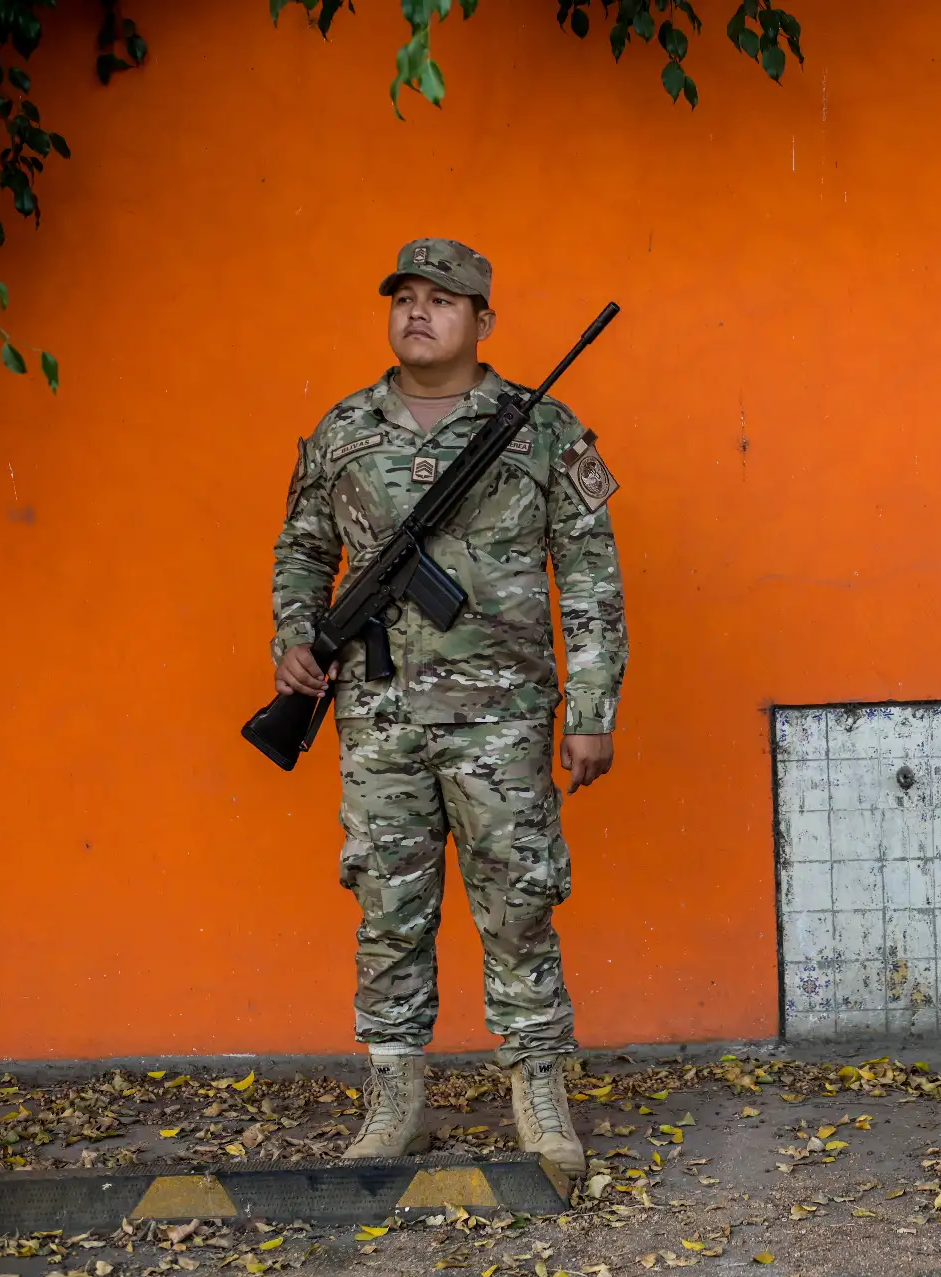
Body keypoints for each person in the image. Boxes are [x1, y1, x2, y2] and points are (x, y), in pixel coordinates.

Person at [271, 238, 627, 1180]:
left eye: (442, 299)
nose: (418, 313)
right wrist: (294, 639)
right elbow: (302, 550)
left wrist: (591, 706)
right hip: (378, 718)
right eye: (405, 298)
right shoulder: (344, 430)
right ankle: (395, 1088)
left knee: (519, 904)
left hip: (503, 720)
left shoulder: (541, 429)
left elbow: (590, 575)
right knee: (388, 906)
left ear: (482, 319)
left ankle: (537, 1083)